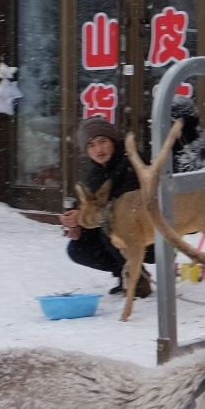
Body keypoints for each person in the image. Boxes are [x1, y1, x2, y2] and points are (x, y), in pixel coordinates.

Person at [59, 116, 153, 295]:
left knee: (110, 227)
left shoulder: (132, 161)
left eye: (103, 141)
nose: (98, 149)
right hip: (125, 233)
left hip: (150, 232)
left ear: (113, 141)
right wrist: (79, 225)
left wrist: (84, 216)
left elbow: (123, 208)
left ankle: (137, 279)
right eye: (91, 145)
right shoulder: (95, 175)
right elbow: (97, 211)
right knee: (78, 247)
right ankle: (124, 273)